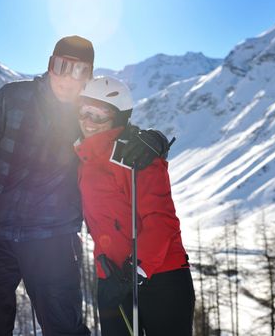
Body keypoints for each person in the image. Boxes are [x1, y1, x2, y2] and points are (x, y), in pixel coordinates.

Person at [0, 36, 170, 336]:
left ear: (88, 75)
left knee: (63, 326)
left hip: (53, 238)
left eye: (78, 71)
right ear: (50, 65)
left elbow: (126, 135)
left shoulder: (88, 116)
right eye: (61, 66)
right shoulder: (13, 97)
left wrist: (154, 141)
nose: (67, 77)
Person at [74, 76, 195, 336]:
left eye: (99, 114)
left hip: (161, 278)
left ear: (118, 118)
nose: (88, 121)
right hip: (112, 277)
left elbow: (161, 223)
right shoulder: (82, 156)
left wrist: (132, 274)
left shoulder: (137, 156)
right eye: (84, 111)